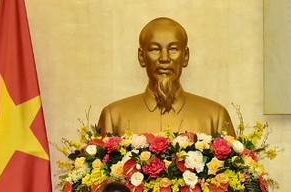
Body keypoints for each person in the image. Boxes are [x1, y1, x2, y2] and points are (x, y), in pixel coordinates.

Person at [98, 17, 236, 136]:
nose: (164, 58)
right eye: (155, 49)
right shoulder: (114, 117)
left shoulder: (215, 117)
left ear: (185, 56)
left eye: (173, 49)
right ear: (141, 57)